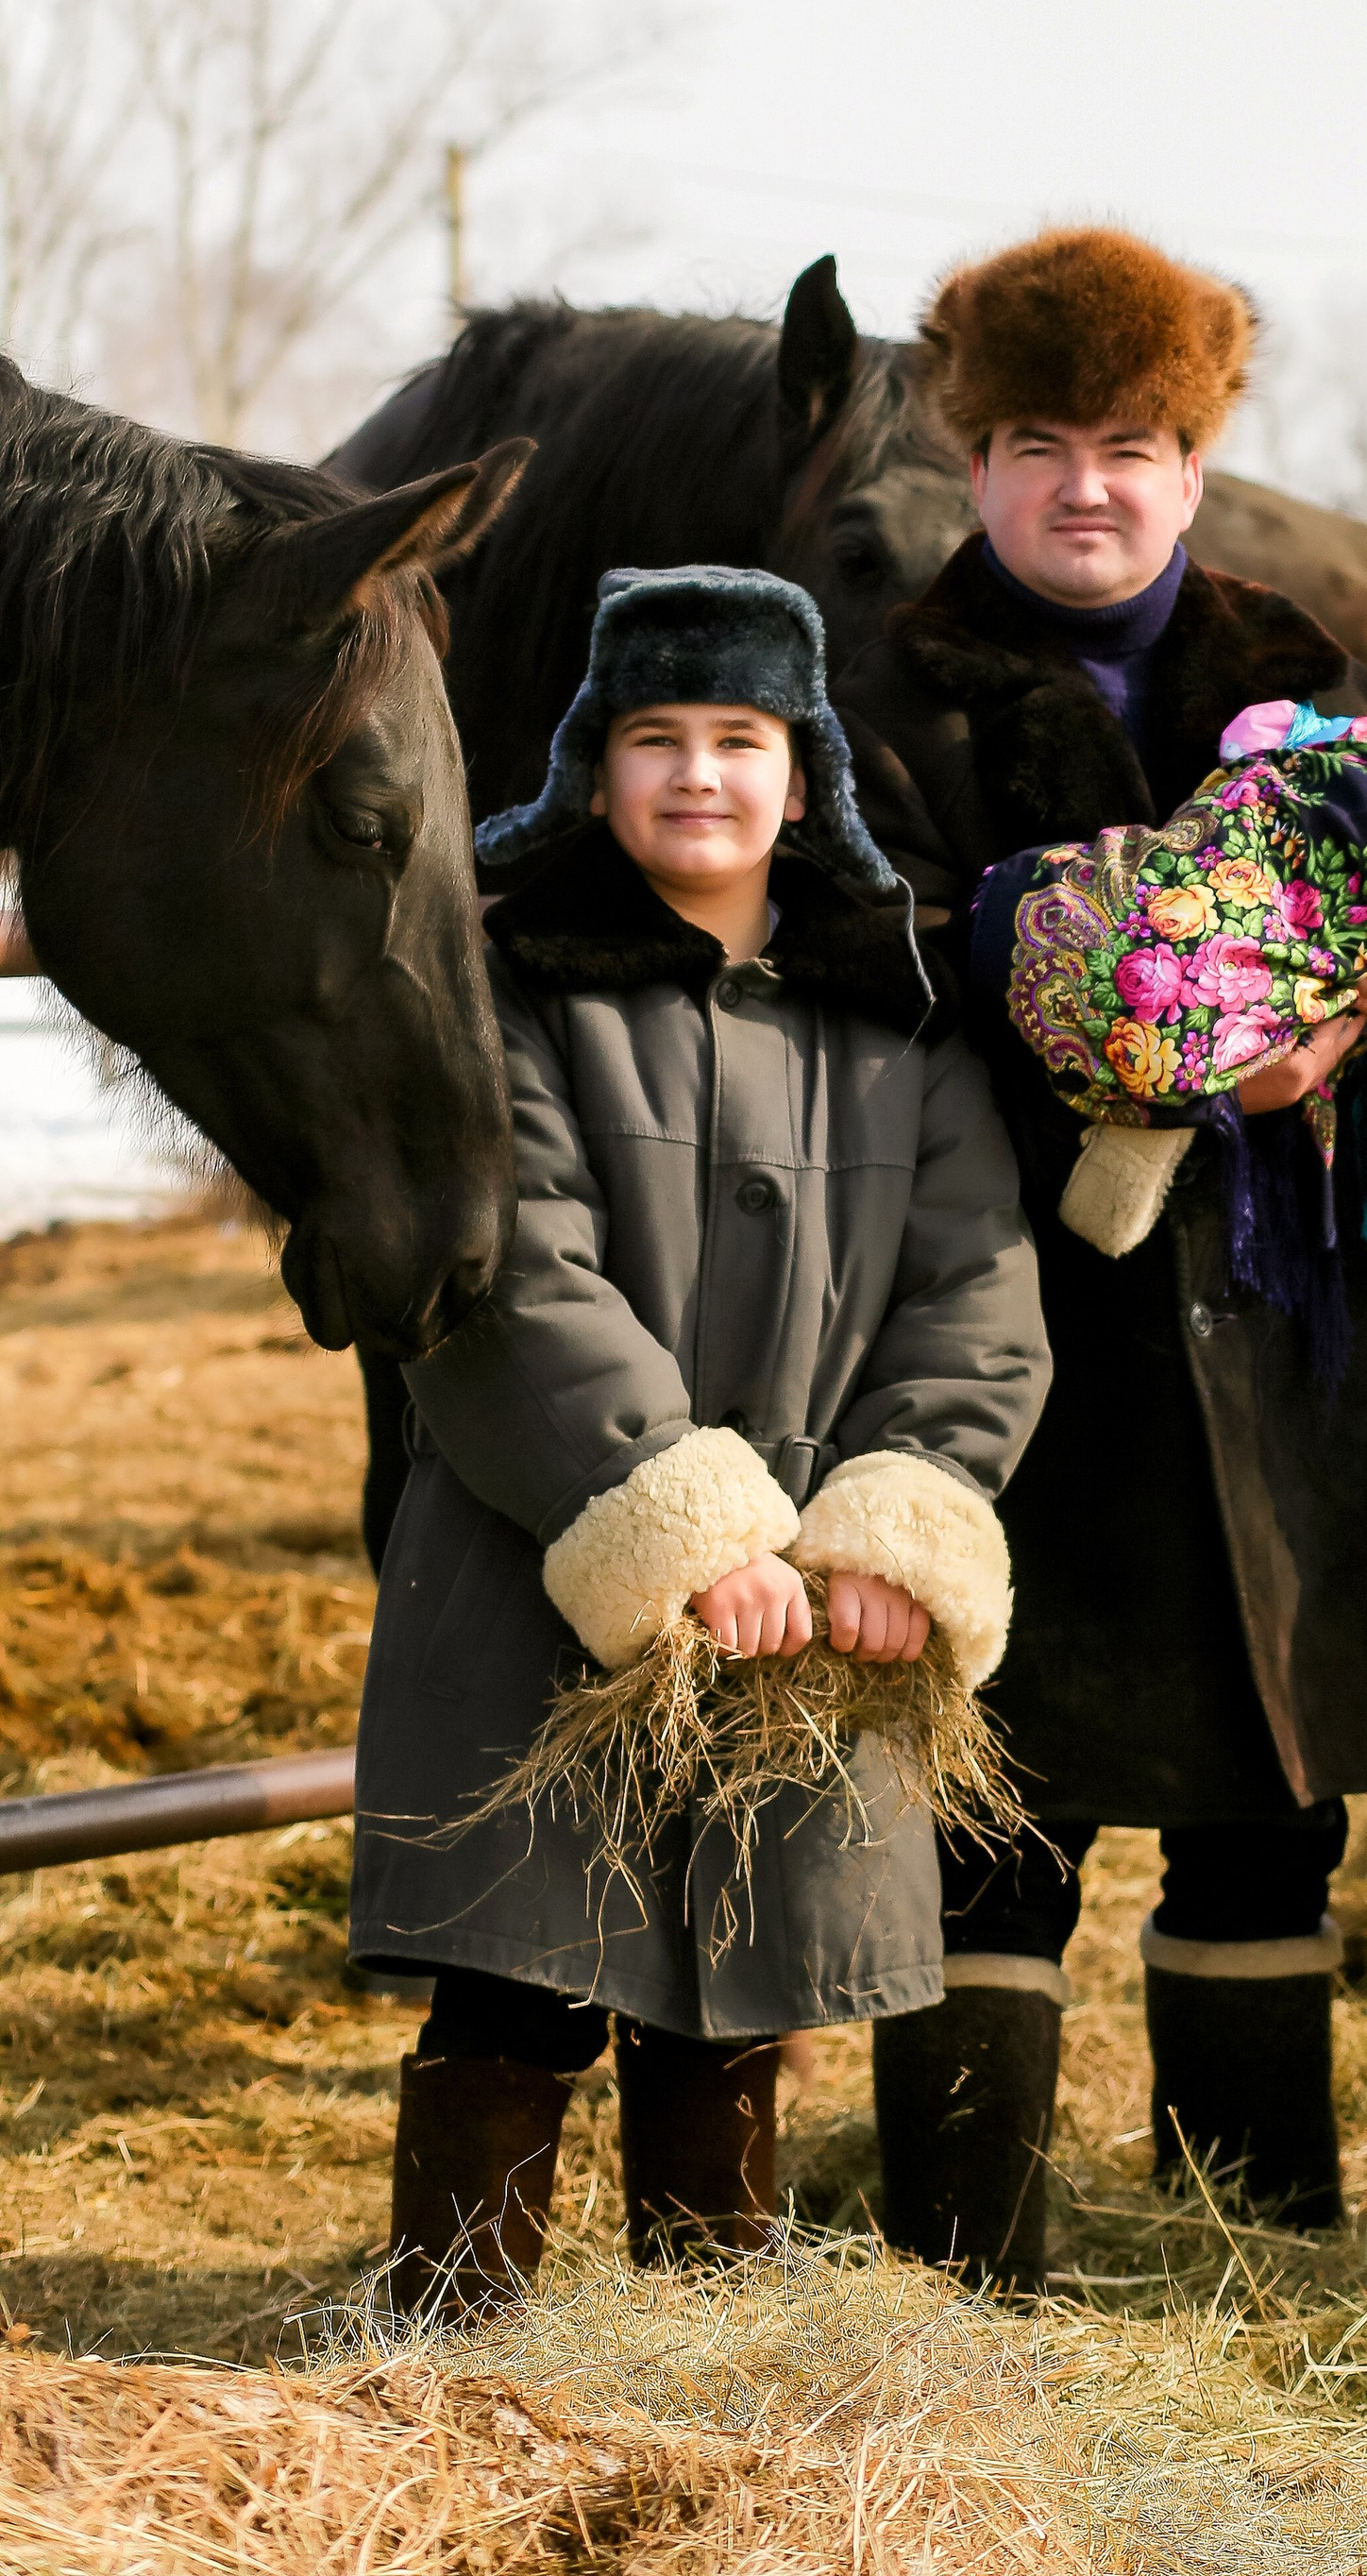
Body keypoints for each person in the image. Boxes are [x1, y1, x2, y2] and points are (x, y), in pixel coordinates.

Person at [834, 225, 1367, 2284]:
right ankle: (963, 2265)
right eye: (1039, 439)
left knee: (1264, 1786)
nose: (1087, 484)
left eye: (1132, 442)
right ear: (972, 461)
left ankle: (1257, 2237)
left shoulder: (1299, 665)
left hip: (1291, 1310)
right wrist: (1102, 992)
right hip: (1015, 1311)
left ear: (1195, 463)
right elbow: (864, 970)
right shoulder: (883, 700)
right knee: (990, 1779)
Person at [350, 564, 1050, 2315]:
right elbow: (513, 1270)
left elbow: (974, 1286)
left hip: (801, 1597)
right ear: (595, 769)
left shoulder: (895, 1013)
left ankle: (701, 2351)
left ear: (801, 779)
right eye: (654, 738)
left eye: (739, 739)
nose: (698, 778)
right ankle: (457, 2345)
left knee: (737, 1966)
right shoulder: (503, 984)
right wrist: (669, 1514)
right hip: (545, 1562)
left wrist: (895, 1524)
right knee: (525, 1969)